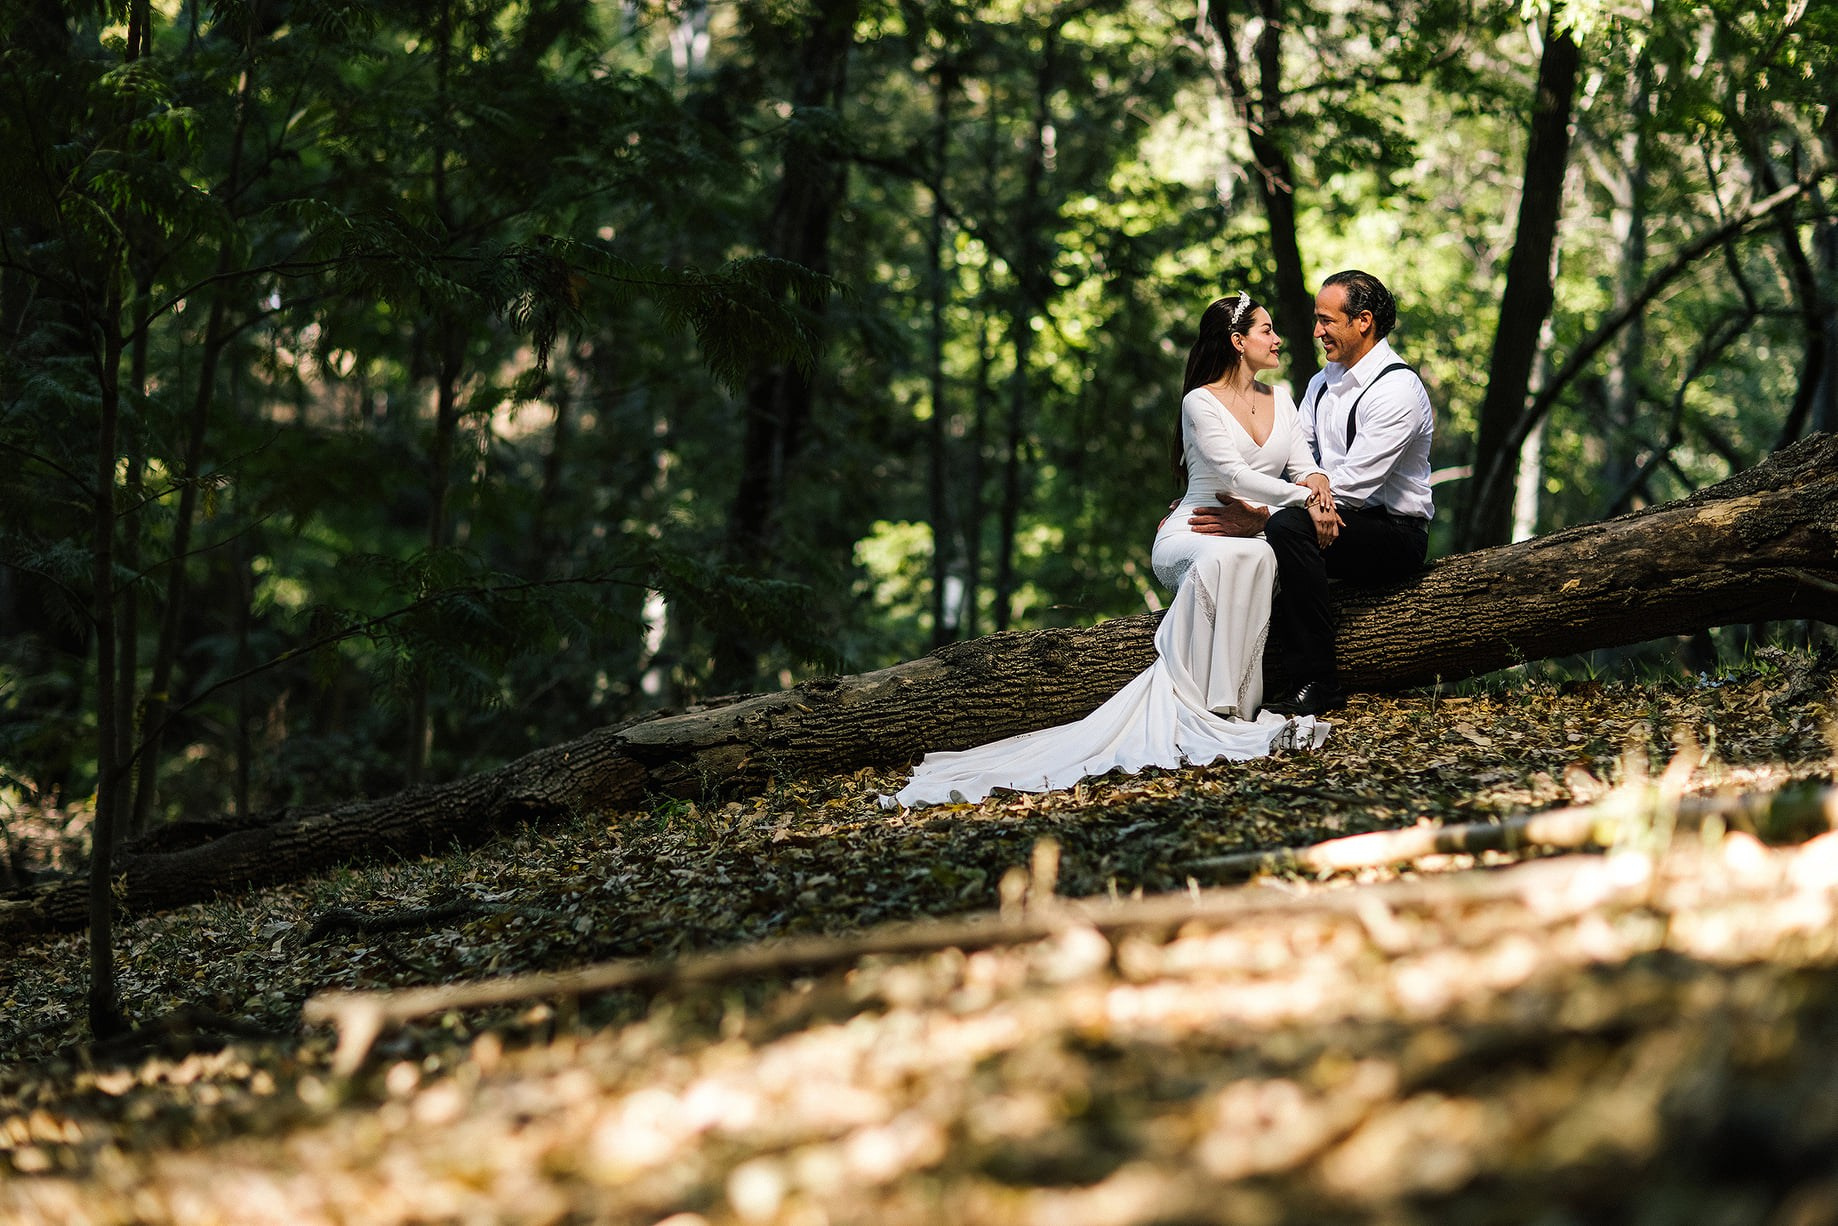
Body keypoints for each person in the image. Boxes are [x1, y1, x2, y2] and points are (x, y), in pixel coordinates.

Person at [883, 292, 1331, 808]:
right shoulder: (1199, 402)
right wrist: (1305, 499)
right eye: (1266, 330)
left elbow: (1303, 464)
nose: (1278, 339)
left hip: (1254, 528)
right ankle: (1198, 702)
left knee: (1258, 554)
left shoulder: (1282, 398)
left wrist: (1317, 488)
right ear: (1237, 342)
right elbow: (1233, 474)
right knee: (1228, 557)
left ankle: (1234, 704)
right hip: (1197, 530)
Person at [1190, 270, 1434, 717]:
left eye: (1326, 320)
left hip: (1394, 534)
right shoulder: (1322, 384)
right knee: (1265, 531)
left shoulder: (1398, 390)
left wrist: (1264, 516)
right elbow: (1297, 462)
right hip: (1329, 515)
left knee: (1285, 526)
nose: (1317, 331)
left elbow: (1355, 488)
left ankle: (1318, 682)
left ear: (1363, 321)